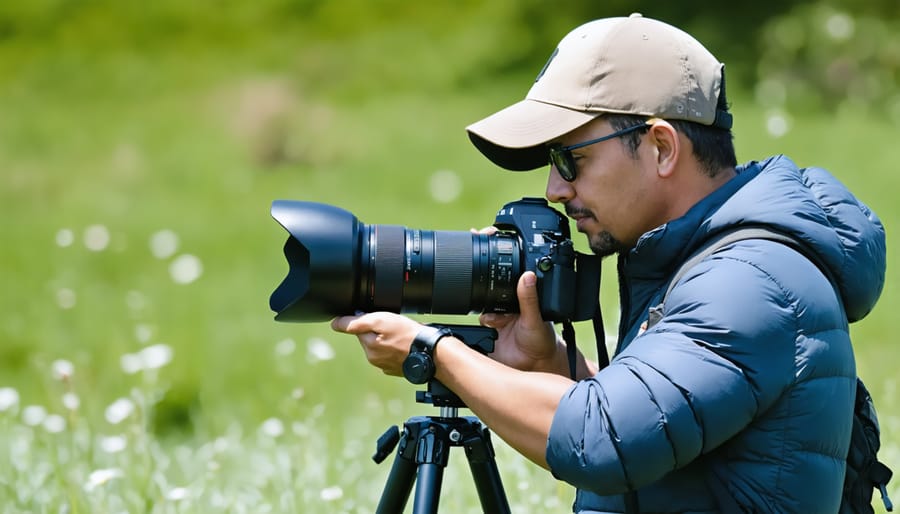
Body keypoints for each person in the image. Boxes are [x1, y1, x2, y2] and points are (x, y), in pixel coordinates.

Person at [331, 14, 887, 513]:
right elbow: (671, 426)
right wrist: (552, 366)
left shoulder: (750, 280)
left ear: (662, 148)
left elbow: (605, 443)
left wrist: (433, 353)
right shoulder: (702, 259)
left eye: (570, 159)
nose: (553, 188)